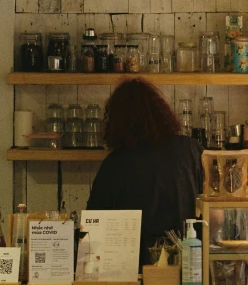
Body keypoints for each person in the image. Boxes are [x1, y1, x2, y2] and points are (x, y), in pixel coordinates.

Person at [86, 78, 203, 265]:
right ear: (162, 113)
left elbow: (93, 227)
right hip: (187, 267)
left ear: (116, 122)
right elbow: (214, 210)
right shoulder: (190, 150)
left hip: (131, 270)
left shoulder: (114, 163)